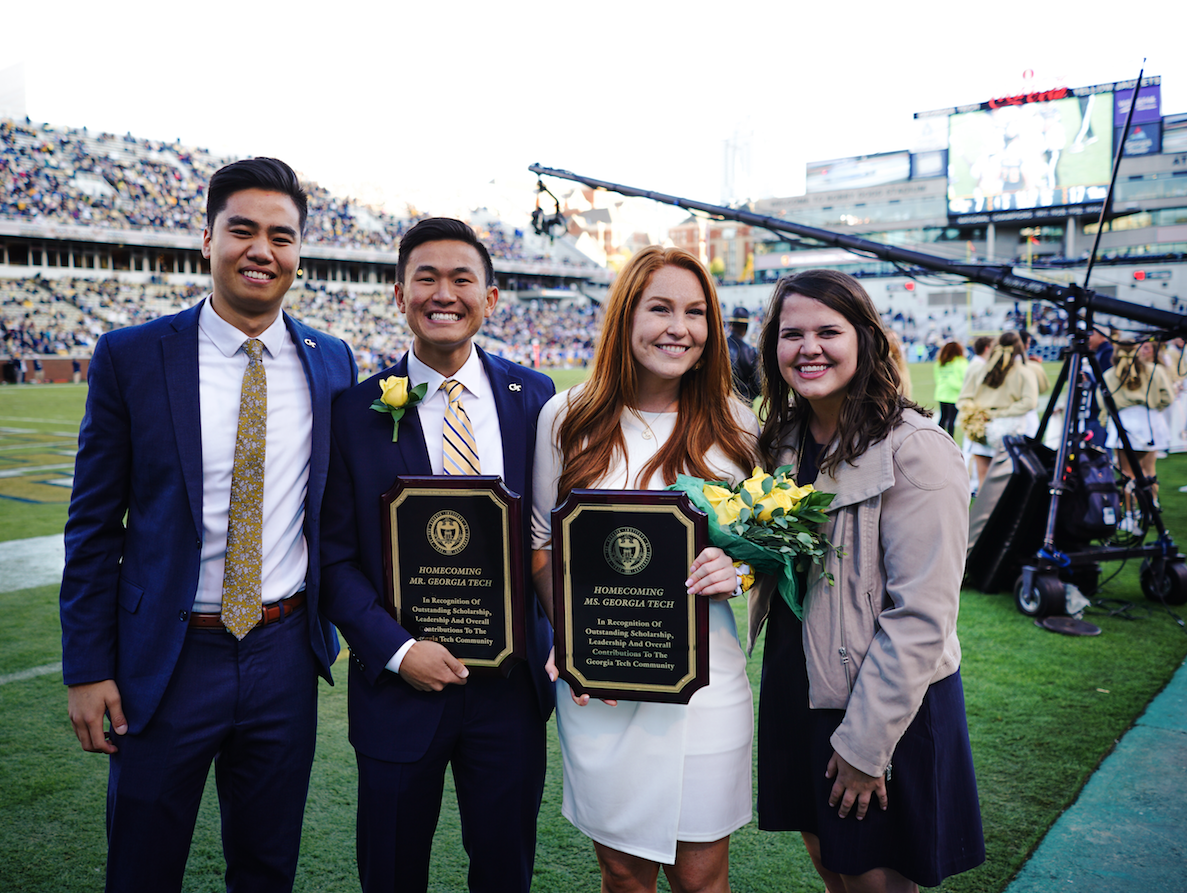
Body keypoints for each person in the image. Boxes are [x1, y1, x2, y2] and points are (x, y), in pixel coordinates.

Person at [60, 157, 357, 892]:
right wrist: (88, 667)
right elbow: (93, 525)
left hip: (285, 650)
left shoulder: (333, 361)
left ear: (299, 252)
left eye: (282, 236)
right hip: (167, 653)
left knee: (265, 864)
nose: (263, 249)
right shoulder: (131, 355)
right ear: (207, 238)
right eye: (243, 230)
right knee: (142, 862)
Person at [320, 218, 556, 893]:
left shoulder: (535, 398)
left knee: (505, 869)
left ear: (492, 295)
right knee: (391, 872)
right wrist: (397, 650)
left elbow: (556, 532)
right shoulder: (352, 410)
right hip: (399, 687)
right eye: (426, 277)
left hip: (510, 689)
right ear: (399, 294)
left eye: (462, 278)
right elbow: (333, 558)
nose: (443, 293)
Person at [531, 245, 758, 893]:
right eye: (660, 308)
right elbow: (541, 542)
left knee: (700, 876)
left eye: (695, 312)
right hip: (599, 685)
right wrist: (573, 639)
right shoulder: (566, 416)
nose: (678, 328)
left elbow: (766, 554)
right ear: (626, 317)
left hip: (704, 681)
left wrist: (736, 571)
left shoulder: (739, 427)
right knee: (624, 874)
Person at [751, 269, 984, 893]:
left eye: (829, 331)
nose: (809, 348)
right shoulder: (782, 442)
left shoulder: (918, 449)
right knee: (832, 864)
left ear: (865, 340)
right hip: (797, 679)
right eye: (791, 333)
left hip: (881, 702)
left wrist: (865, 745)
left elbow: (923, 617)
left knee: (877, 882)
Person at [1102, 340, 1174, 533]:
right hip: (1150, 422)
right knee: (1149, 469)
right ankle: (1151, 510)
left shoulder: (1109, 375)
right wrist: (1154, 408)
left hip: (1124, 423)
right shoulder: (1155, 371)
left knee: (1127, 474)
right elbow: (1168, 396)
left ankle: (1130, 517)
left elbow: (1103, 404)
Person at [957, 331, 1038, 482]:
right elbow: (1029, 402)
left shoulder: (980, 370)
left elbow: (963, 399)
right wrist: (1003, 412)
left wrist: (976, 414)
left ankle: (983, 506)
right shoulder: (1025, 372)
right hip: (1011, 429)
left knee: (984, 477)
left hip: (983, 426)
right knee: (1010, 480)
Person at [726, 304, 760, 402]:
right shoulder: (750, 351)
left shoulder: (719, 348)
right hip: (744, 404)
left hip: (722, 404)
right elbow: (758, 386)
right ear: (746, 327)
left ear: (731, 325)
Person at [932, 341, 967, 436]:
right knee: (951, 420)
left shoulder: (941, 362)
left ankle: (938, 438)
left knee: (943, 418)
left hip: (942, 393)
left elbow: (937, 378)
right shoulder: (960, 362)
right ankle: (951, 440)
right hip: (954, 394)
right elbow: (966, 378)